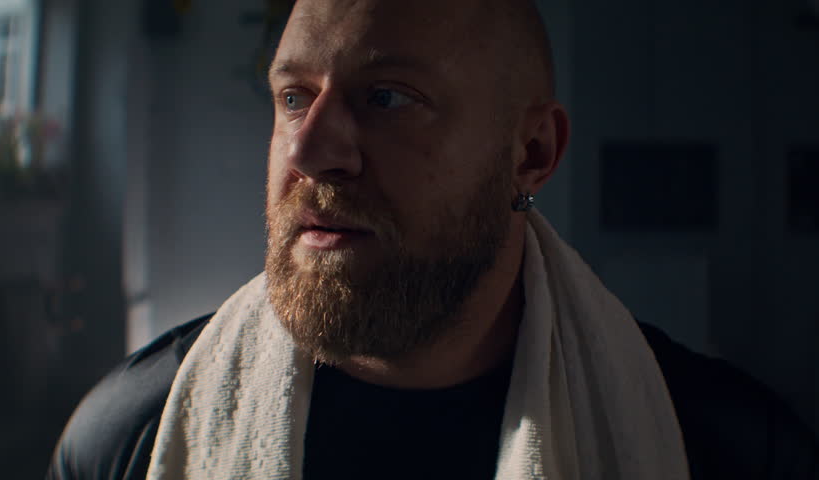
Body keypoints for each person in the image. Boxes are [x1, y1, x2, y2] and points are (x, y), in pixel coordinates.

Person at [47, 0, 819, 478]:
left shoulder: (725, 451)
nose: (311, 151)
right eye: (292, 97)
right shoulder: (131, 439)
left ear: (532, 154)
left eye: (387, 97)